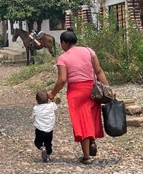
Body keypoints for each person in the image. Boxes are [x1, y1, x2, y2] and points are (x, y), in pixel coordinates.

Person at [47, 30, 111, 164]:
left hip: (76, 92)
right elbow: (98, 71)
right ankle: (92, 141)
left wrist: (53, 93)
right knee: (91, 118)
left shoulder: (63, 58)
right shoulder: (89, 51)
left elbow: (62, 79)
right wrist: (108, 88)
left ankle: (86, 156)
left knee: (82, 121)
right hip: (92, 90)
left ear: (64, 43)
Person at [33, 90, 57, 162]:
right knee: (48, 143)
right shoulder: (51, 106)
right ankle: (48, 156)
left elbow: (33, 116)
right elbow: (57, 103)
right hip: (49, 130)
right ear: (47, 99)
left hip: (39, 129)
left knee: (37, 142)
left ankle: (42, 148)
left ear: (37, 100)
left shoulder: (35, 108)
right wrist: (52, 98)